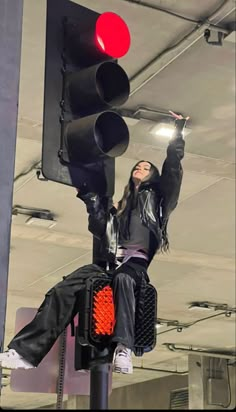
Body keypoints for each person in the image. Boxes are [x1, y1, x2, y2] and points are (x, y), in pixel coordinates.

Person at [0, 111, 189, 374]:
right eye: (138, 166)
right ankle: (24, 353)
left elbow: (173, 170)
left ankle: (123, 349)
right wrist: (91, 199)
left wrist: (178, 132)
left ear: (154, 177)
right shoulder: (120, 210)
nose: (140, 168)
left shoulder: (158, 202)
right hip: (108, 265)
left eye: (147, 167)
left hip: (135, 266)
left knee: (123, 279)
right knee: (63, 290)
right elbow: (99, 228)